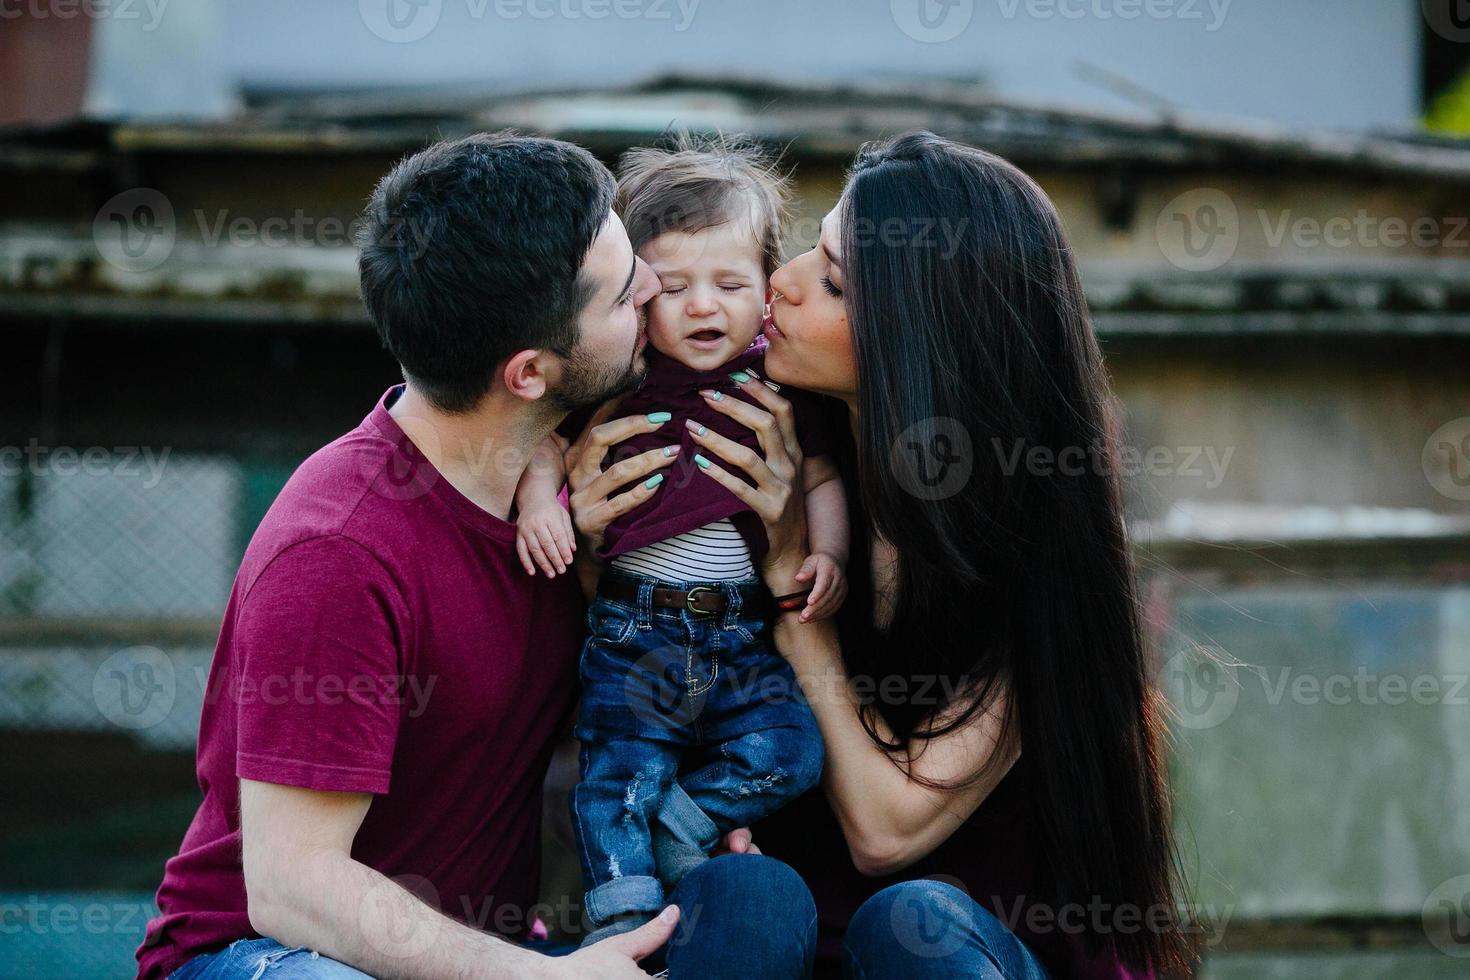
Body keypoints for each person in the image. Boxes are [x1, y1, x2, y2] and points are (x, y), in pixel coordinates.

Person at [136, 132, 815, 980]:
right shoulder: (340, 552)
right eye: (622, 291)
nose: (653, 285)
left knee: (760, 902)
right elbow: (292, 890)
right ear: (529, 373)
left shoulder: (577, 500)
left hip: (481, 955)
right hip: (271, 956)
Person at [596, 131, 1201, 979]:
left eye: (835, 283)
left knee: (910, 921)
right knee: (745, 899)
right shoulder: (781, 452)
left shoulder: (1035, 553)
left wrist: (797, 610)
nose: (783, 280)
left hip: (966, 954)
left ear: (925, 345)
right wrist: (587, 529)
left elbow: (885, 831)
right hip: (796, 945)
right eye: (814, 247)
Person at [511, 135, 846, 949]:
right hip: (633, 630)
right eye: (676, 288)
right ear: (636, 296)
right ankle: (624, 915)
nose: (705, 307)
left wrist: (825, 551)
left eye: (730, 284)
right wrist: (537, 507)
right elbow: (544, 443)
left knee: (794, 749)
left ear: (767, 287)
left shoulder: (778, 378)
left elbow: (821, 474)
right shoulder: (621, 374)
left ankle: (684, 822)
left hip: (737, 632)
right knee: (617, 773)